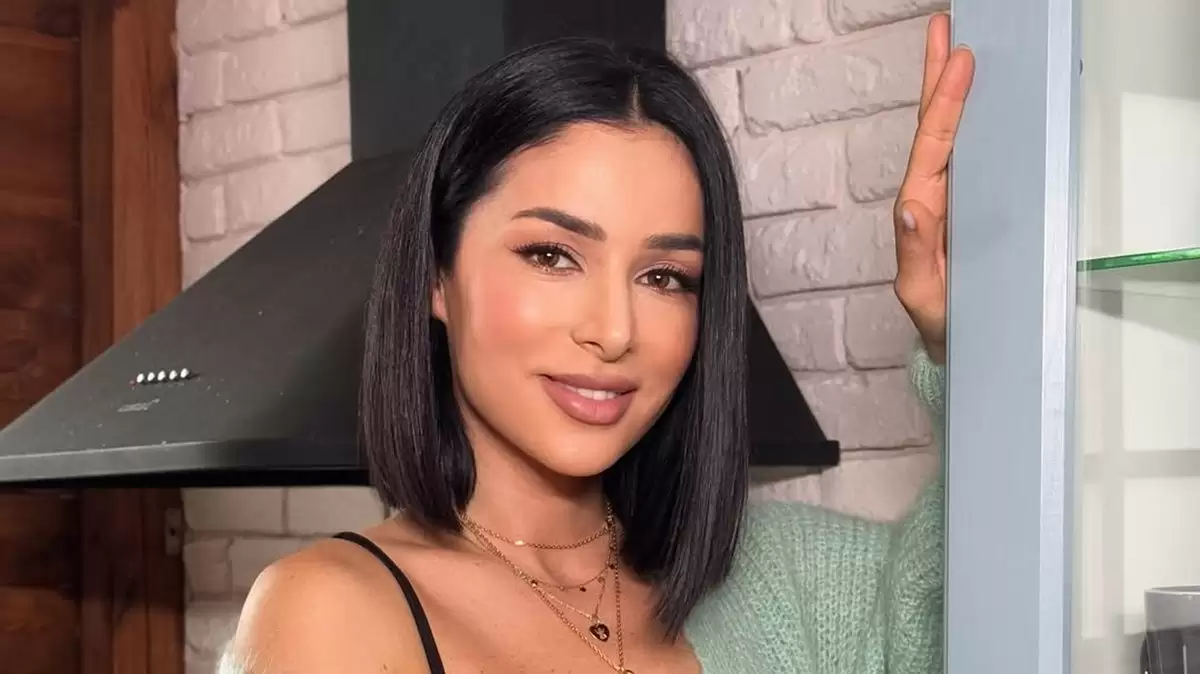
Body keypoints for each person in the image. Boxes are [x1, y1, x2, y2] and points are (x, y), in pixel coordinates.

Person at [221, 12, 973, 674]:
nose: (614, 332)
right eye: (552, 256)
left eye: (664, 276)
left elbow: (995, 610)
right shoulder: (332, 611)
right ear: (436, 276)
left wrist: (969, 339)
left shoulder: (791, 579)